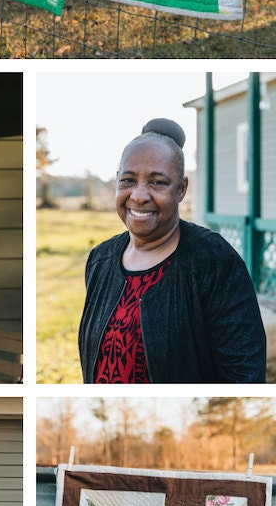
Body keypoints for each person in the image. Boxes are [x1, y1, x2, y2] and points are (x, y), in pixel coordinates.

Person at [78, 118, 266, 384]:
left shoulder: (213, 261)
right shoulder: (101, 260)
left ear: (181, 189)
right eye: (128, 180)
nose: (139, 196)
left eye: (157, 182)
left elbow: (244, 376)